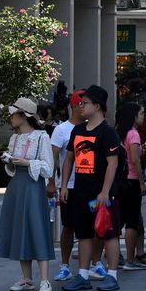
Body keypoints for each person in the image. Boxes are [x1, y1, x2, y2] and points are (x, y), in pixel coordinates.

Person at [60, 86, 123, 291]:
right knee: (84, 234)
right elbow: (69, 159)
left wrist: (105, 192)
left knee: (108, 233)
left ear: (97, 107)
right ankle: (83, 275)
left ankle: (112, 275)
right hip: (80, 191)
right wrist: (64, 186)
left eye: (85, 103)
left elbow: (112, 164)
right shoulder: (77, 131)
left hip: (101, 194)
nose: (81, 106)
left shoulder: (108, 132)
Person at [0, 98, 54, 291]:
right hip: (17, 186)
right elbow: (12, 168)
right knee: (19, 228)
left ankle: (45, 279)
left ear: (24, 116)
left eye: (13, 114)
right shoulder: (14, 138)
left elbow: (48, 168)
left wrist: (27, 163)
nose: (11, 118)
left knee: (36, 226)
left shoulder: (41, 137)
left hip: (33, 186)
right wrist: (10, 161)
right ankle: (27, 278)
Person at [48, 90, 84, 280]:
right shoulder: (61, 130)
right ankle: (65, 265)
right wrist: (52, 183)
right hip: (68, 187)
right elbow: (52, 158)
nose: (86, 107)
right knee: (68, 226)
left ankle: (93, 264)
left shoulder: (92, 127)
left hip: (90, 187)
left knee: (93, 226)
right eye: (83, 103)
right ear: (76, 106)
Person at [115, 102, 146, 271]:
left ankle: (115, 255)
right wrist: (141, 182)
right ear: (133, 116)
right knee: (132, 222)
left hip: (119, 180)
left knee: (119, 219)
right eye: (141, 114)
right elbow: (134, 160)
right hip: (132, 180)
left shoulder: (119, 133)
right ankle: (129, 259)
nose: (143, 116)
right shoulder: (133, 134)